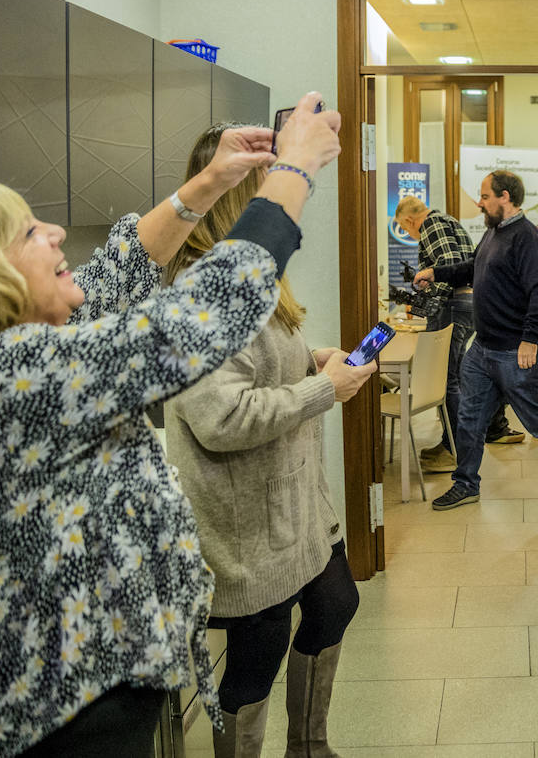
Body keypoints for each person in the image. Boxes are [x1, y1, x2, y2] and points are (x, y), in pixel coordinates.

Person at [0, 91, 337, 757]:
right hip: (45, 726)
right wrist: (294, 170)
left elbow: (120, 269)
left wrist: (209, 182)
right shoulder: (4, 379)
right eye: (29, 233)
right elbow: (197, 318)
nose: (55, 233)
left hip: (64, 708)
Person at [165, 127, 375, 758]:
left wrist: (313, 361)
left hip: (294, 505)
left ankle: (308, 747)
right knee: (257, 656)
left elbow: (262, 364)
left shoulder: (254, 276)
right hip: (245, 523)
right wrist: (324, 389)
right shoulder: (200, 291)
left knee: (334, 603)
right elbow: (220, 416)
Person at [414, 170, 538, 510]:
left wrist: (531, 339)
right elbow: (472, 268)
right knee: (469, 418)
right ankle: (466, 484)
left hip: (514, 351)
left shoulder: (527, 238)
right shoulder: (493, 233)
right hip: (482, 348)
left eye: (485, 196)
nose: (480, 202)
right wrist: (436, 272)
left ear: (505, 197)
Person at [394, 198, 519, 474]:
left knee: (445, 379)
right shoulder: (449, 221)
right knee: (455, 378)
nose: (410, 234)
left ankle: (454, 449)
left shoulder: (430, 224)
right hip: (468, 305)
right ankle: (456, 443)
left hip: (452, 306)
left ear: (409, 221)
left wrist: (428, 297)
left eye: (406, 229)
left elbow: (449, 266)